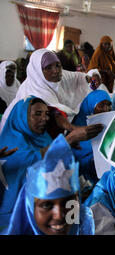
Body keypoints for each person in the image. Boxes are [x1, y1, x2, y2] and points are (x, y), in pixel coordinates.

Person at [0, 97, 99, 229]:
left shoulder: (44, 138)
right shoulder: (11, 143)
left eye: (46, 114)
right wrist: (68, 140)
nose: (44, 118)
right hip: (17, 215)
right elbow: (31, 160)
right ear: (22, 117)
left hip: (53, 210)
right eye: (37, 114)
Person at [3, 134, 95, 235]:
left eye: (69, 202)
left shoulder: (83, 223)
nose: (59, 215)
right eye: (47, 205)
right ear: (30, 207)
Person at [0, 49, 92, 132]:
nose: (55, 70)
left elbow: (76, 77)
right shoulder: (32, 91)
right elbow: (58, 112)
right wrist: (74, 125)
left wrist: (89, 77)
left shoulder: (55, 75)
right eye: (48, 67)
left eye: (57, 65)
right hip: (14, 137)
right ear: (38, 71)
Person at [71, 90, 112, 183]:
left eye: (109, 105)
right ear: (90, 106)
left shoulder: (112, 128)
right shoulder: (76, 131)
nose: (106, 109)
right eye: (101, 105)